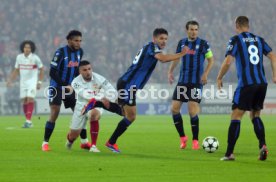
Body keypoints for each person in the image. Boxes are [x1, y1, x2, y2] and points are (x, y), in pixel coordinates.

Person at [83, 28, 188, 153]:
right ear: (154, 38)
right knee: (131, 116)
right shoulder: (152, 47)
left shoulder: (150, 48)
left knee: (125, 114)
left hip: (127, 83)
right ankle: (110, 141)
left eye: (166, 39)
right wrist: (181, 54)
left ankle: (98, 107)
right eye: (161, 38)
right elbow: (163, 59)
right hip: (129, 84)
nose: (164, 41)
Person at [217, 16, 276, 161]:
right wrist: (275, 75)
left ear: (236, 25)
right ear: (248, 25)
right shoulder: (259, 39)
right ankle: (262, 145)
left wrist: (219, 77)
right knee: (255, 115)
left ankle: (229, 153)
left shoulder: (236, 40)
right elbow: (273, 56)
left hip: (246, 84)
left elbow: (228, 61)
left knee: (236, 116)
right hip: (261, 83)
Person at [167, 21, 214, 150]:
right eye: (192, 29)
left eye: (196, 29)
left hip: (196, 83)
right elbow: (176, 58)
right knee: (174, 109)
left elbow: (211, 60)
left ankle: (195, 140)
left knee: (192, 111)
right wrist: (170, 71)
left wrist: (205, 74)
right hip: (182, 81)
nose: (194, 32)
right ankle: (183, 138)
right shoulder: (182, 43)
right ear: (187, 30)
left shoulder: (203, 44)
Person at [42, 30, 90, 151]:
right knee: (55, 111)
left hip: (70, 87)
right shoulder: (60, 52)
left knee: (81, 112)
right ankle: (45, 143)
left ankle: (84, 142)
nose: (78, 43)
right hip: (57, 86)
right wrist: (64, 84)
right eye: (76, 40)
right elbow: (52, 72)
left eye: (80, 41)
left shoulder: (80, 52)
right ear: (69, 41)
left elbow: (76, 71)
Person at [66, 60, 117, 152]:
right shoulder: (75, 82)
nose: (88, 72)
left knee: (94, 115)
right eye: (84, 70)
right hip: (81, 106)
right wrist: (102, 97)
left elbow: (111, 90)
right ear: (80, 71)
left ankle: (93, 146)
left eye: (89, 69)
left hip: (96, 105)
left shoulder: (100, 78)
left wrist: (110, 98)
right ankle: (70, 141)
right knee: (73, 135)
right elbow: (86, 94)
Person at [7, 40, 44, 128]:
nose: (27, 49)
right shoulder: (19, 57)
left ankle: (28, 121)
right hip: (23, 82)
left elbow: (42, 69)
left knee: (30, 99)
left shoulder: (35, 58)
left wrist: (39, 82)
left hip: (32, 81)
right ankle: (28, 120)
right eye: (25, 47)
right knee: (24, 100)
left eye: (29, 47)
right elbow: (16, 70)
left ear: (31, 49)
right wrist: (10, 80)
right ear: (23, 48)